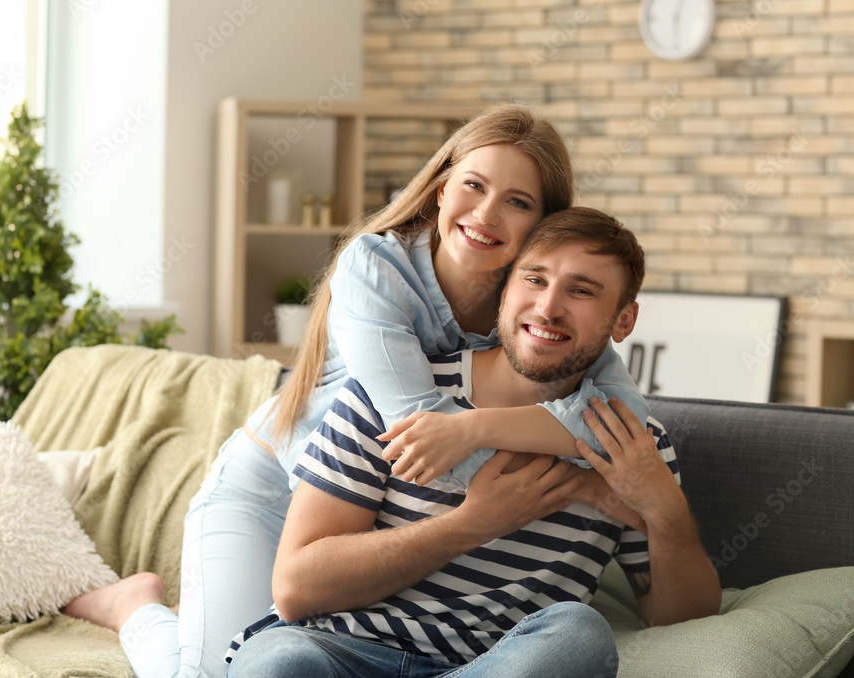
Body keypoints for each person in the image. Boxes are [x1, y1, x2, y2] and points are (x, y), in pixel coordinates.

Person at [64, 105, 649, 677]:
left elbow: (624, 413)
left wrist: (499, 436)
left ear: (543, 227)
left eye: (517, 202)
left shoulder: (531, 302)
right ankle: (137, 609)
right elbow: (419, 433)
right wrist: (558, 486)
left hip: (364, 508)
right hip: (272, 486)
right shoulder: (377, 267)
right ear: (441, 190)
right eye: (473, 185)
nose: (487, 214)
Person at [226, 207, 722, 677]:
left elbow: (680, 618)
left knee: (579, 634)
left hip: (491, 664)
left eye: (582, 291)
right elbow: (296, 589)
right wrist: (470, 525)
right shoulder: (395, 395)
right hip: (338, 652)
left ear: (623, 321)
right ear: (504, 292)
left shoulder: (632, 446)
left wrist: (666, 511)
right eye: (534, 279)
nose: (548, 308)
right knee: (278, 661)